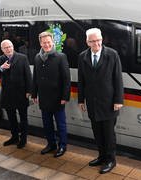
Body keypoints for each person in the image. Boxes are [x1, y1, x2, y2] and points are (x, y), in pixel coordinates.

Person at [78, 28, 124, 174]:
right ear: (87, 42)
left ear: (102, 39)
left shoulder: (112, 54)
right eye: (92, 41)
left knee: (109, 134)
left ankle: (111, 160)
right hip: (92, 102)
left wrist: (118, 100)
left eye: (98, 40)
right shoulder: (82, 56)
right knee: (97, 132)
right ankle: (102, 156)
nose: (96, 43)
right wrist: (81, 100)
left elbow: (118, 79)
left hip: (109, 102)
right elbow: (81, 80)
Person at [32, 32, 70, 158]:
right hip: (43, 97)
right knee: (47, 124)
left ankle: (62, 146)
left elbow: (66, 79)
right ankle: (51, 144)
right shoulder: (37, 57)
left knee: (61, 124)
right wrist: (34, 94)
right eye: (44, 42)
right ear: (40, 43)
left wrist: (65, 97)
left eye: (48, 42)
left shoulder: (61, 56)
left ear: (53, 42)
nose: (46, 44)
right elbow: (35, 77)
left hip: (58, 98)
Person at [0, 39, 32, 149]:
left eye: (10, 46)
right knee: (11, 118)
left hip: (21, 93)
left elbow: (28, 76)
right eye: (6, 47)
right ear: (2, 49)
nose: (9, 49)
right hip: (7, 94)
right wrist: (1, 68)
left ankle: (23, 139)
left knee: (23, 118)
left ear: (13, 46)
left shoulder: (22, 58)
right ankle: (14, 137)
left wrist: (29, 91)